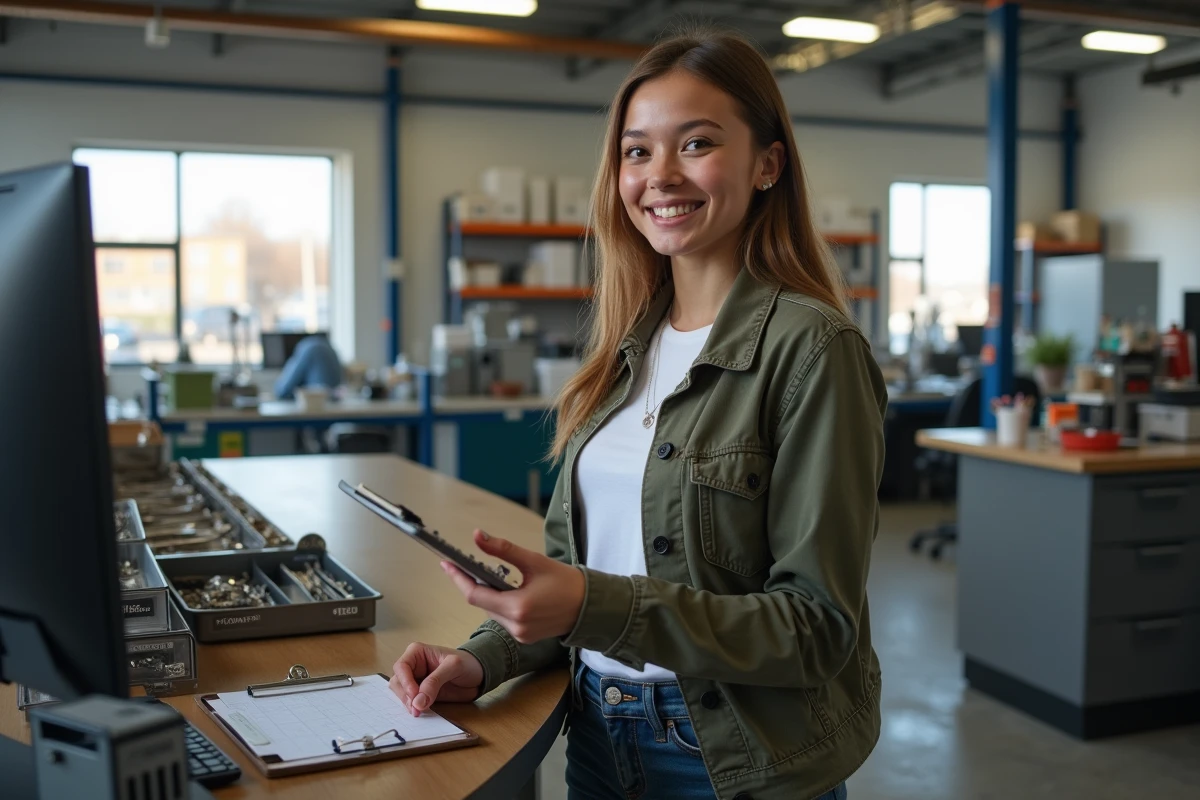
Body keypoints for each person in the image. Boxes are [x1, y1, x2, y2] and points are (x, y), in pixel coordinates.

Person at [391, 28, 886, 800]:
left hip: (731, 756)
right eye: (637, 151)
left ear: (767, 164)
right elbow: (578, 575)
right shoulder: (625, 350)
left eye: (696, 144)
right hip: (596, 731)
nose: (661, 176)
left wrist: (594, 604)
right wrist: (485, 657)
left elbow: (817, 627)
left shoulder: (814, 350)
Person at [272, 335, 343, 400]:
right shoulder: (327, 347)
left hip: (314, 406)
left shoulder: (307, 348)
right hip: (335, 405)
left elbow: (283, 391)